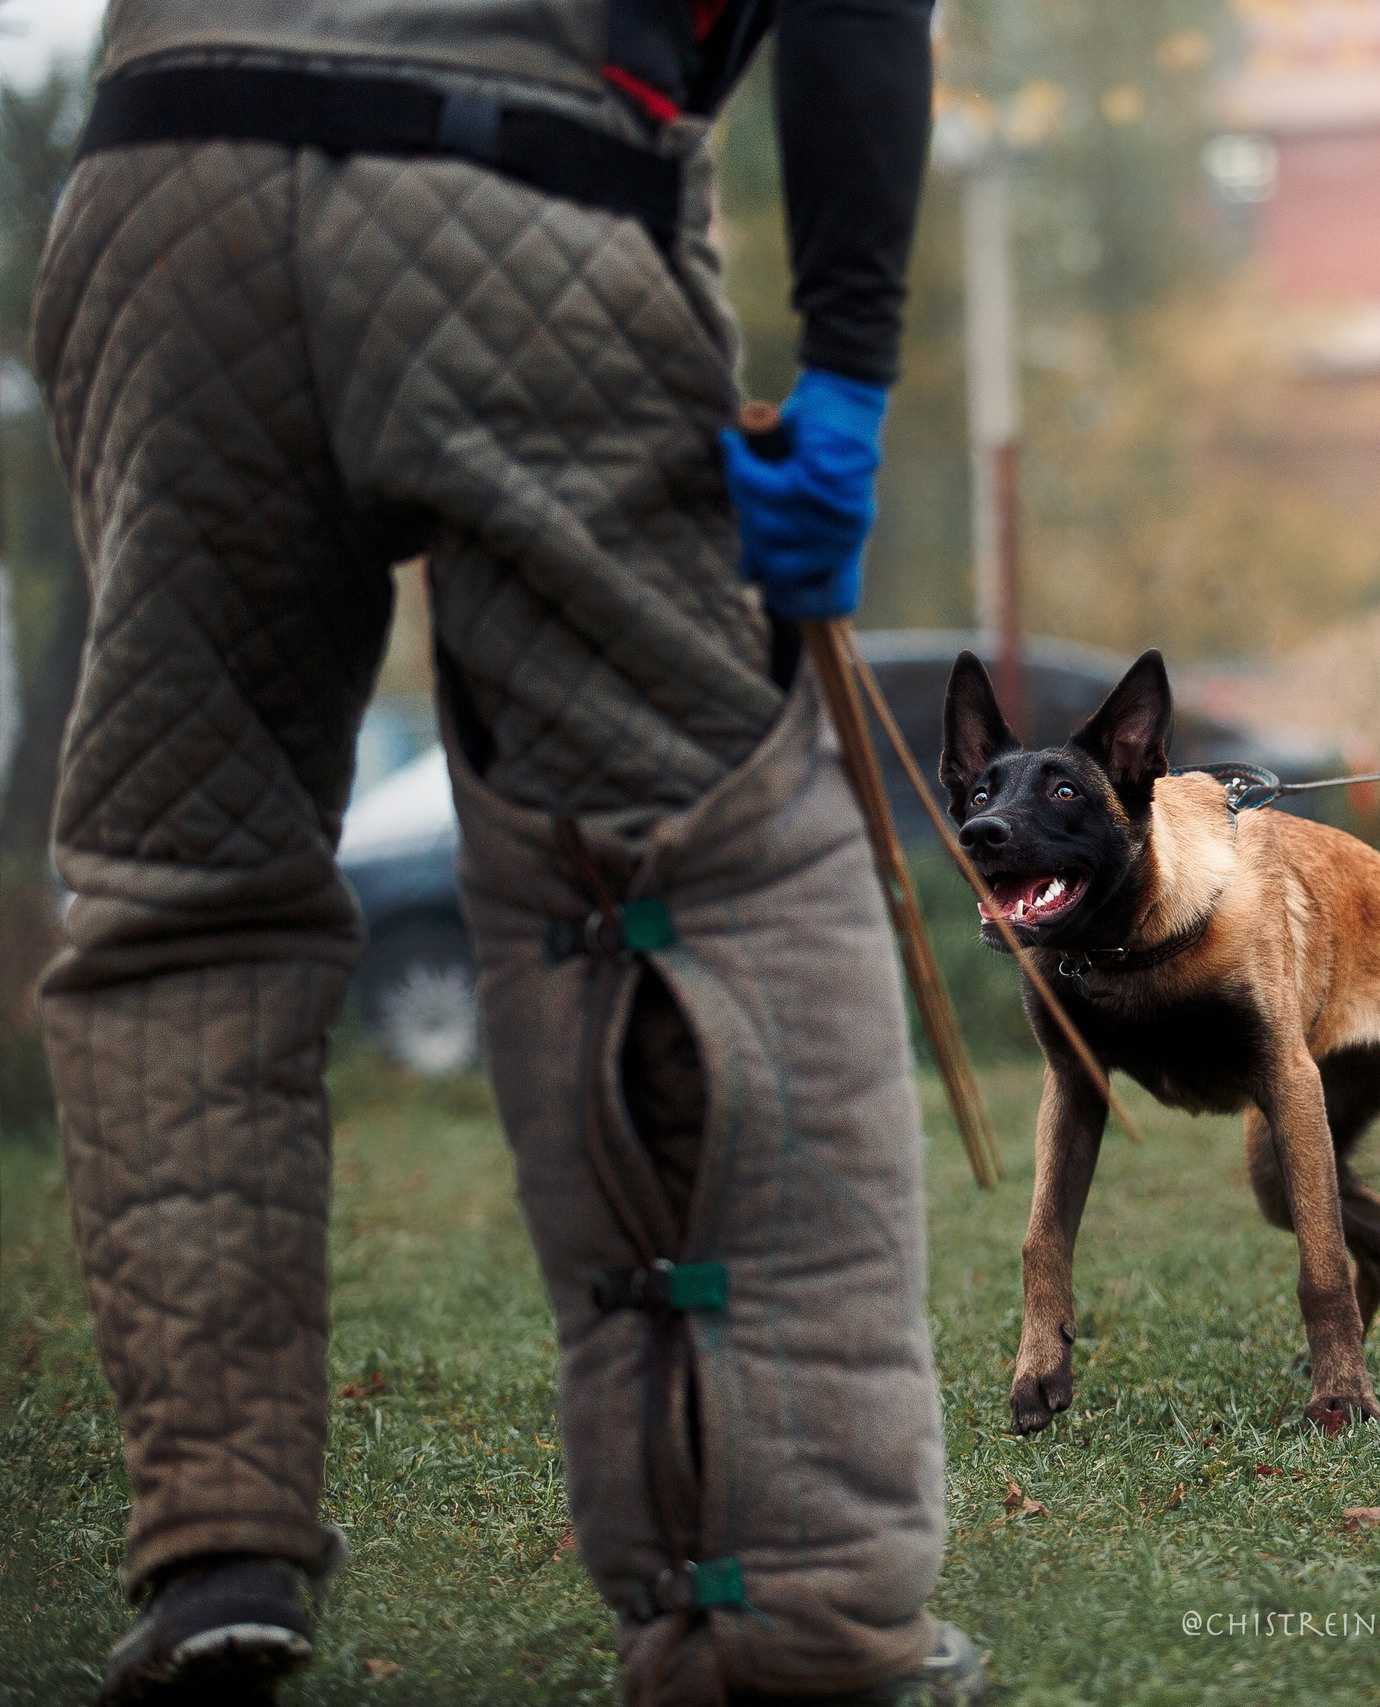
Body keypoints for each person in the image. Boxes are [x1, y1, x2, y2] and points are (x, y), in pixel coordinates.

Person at [33, 4, 986, 1703]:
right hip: (520, 172)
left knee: (181, 893)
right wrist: (847, 361)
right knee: (708, 875)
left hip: (161, 176)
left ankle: (216, 1554)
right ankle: (806, 1613)